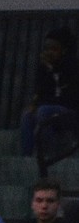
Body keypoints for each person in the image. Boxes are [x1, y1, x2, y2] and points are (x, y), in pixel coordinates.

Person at [21, 29, 79, 158]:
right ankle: (27, 157)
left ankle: (49, 154)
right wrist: (33, 105)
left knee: (44, 111)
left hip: (70, 112)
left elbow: (71, 98)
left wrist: (54, 71)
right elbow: (40, 91)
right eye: (47, 48)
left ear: (63, 50)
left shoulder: (72, 66)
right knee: (28, 116)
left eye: (54, 49)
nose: (49, 52)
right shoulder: (44, 68)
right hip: (48, 108)